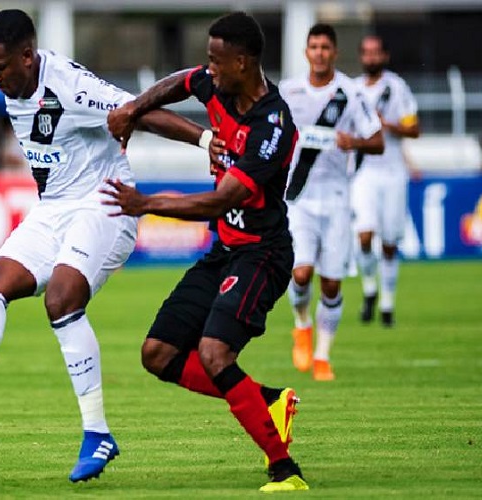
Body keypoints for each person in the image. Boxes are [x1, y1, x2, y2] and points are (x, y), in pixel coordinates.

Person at [0, 9, 204, 483]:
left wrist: (206, 140)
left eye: (1, 67)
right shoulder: (13, 87)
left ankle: (97, 433)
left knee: (60, 298)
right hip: (54, 207)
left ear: (27, 56)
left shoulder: (69, 87)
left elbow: (139, 110)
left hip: (105, 203)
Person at [106, 12, 308, 493]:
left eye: (217, 61)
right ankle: (266, 400)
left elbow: (219, 202)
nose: (209, 70)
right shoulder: (218, 85)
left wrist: (145, 203)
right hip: (225, 252)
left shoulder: (272, 127)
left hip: (262, 255)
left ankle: (285, 469)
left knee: (215, 353)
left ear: (244, 62)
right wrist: (134, 108)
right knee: (157, 354)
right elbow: (182, 82)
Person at [279, 24, 384, 381]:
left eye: (326, 47)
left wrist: (353, 142)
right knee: (300, 272)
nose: (320, 53)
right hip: (298, 197)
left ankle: (322, 357)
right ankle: (301, 324)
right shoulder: (289, 91)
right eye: (314, 47)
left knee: (332, 284)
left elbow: (378, 141)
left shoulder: (351, 94)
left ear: (335, 52)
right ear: (306, 52)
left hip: (338, 198)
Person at [352, 34, 420, 327]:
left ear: (384, 56)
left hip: (393, 172)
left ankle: (387, 304)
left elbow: (414, 128)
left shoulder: (396, 87)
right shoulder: (352, 90)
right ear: (361, 57)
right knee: (365, 235)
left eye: (376, 52)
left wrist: (387, 124)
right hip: (363, 172)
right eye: (366, 52)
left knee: (390, 242)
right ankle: (370, 289)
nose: (371, 57)